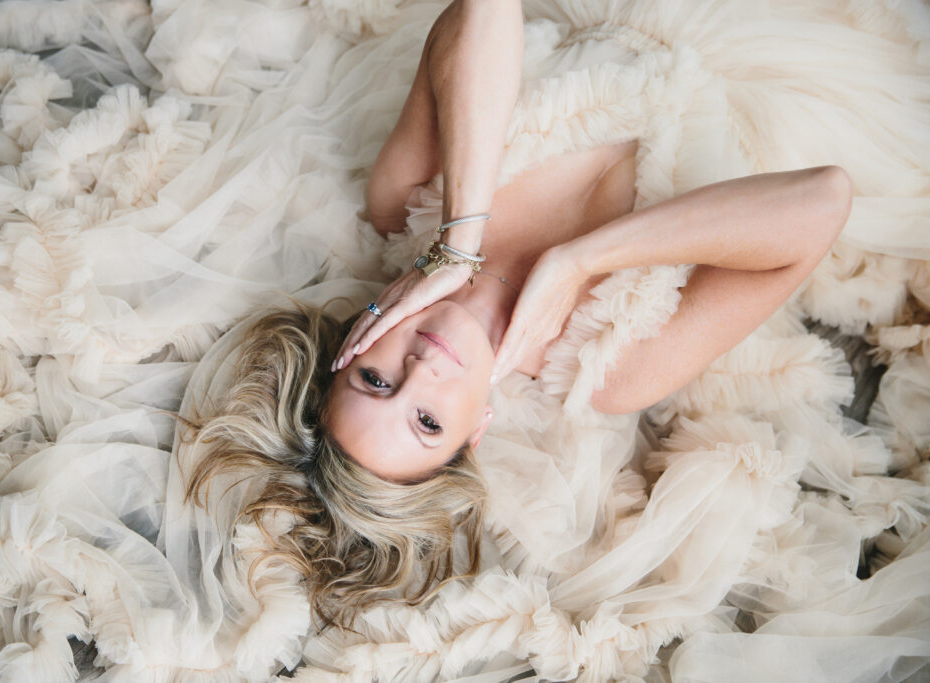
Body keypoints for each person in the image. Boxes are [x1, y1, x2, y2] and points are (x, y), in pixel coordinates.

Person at [185, 0, 853, 633]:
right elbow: (825, 199)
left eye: (377, 381)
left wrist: (459, 244)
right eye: (428, 421)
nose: (421, 372)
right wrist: (578, 262)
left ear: (352, 345)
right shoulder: (612, 366)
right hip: (787, 56)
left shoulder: (402, 203)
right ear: (477, 430)